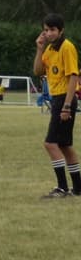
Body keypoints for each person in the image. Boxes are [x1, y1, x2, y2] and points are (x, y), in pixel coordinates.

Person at [32, 13, 81, 198]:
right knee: (65, 145)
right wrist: (39, 49)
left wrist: (67, 106)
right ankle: (78, 187)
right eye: (46, 30)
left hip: (64, 99)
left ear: (61, 31)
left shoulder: (67, 47)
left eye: (52, 30)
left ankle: (62, 188)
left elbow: (73, 76)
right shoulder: (50, 49)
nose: (49, 33)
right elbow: (38, 70)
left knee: (50, 143)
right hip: (57, 99)